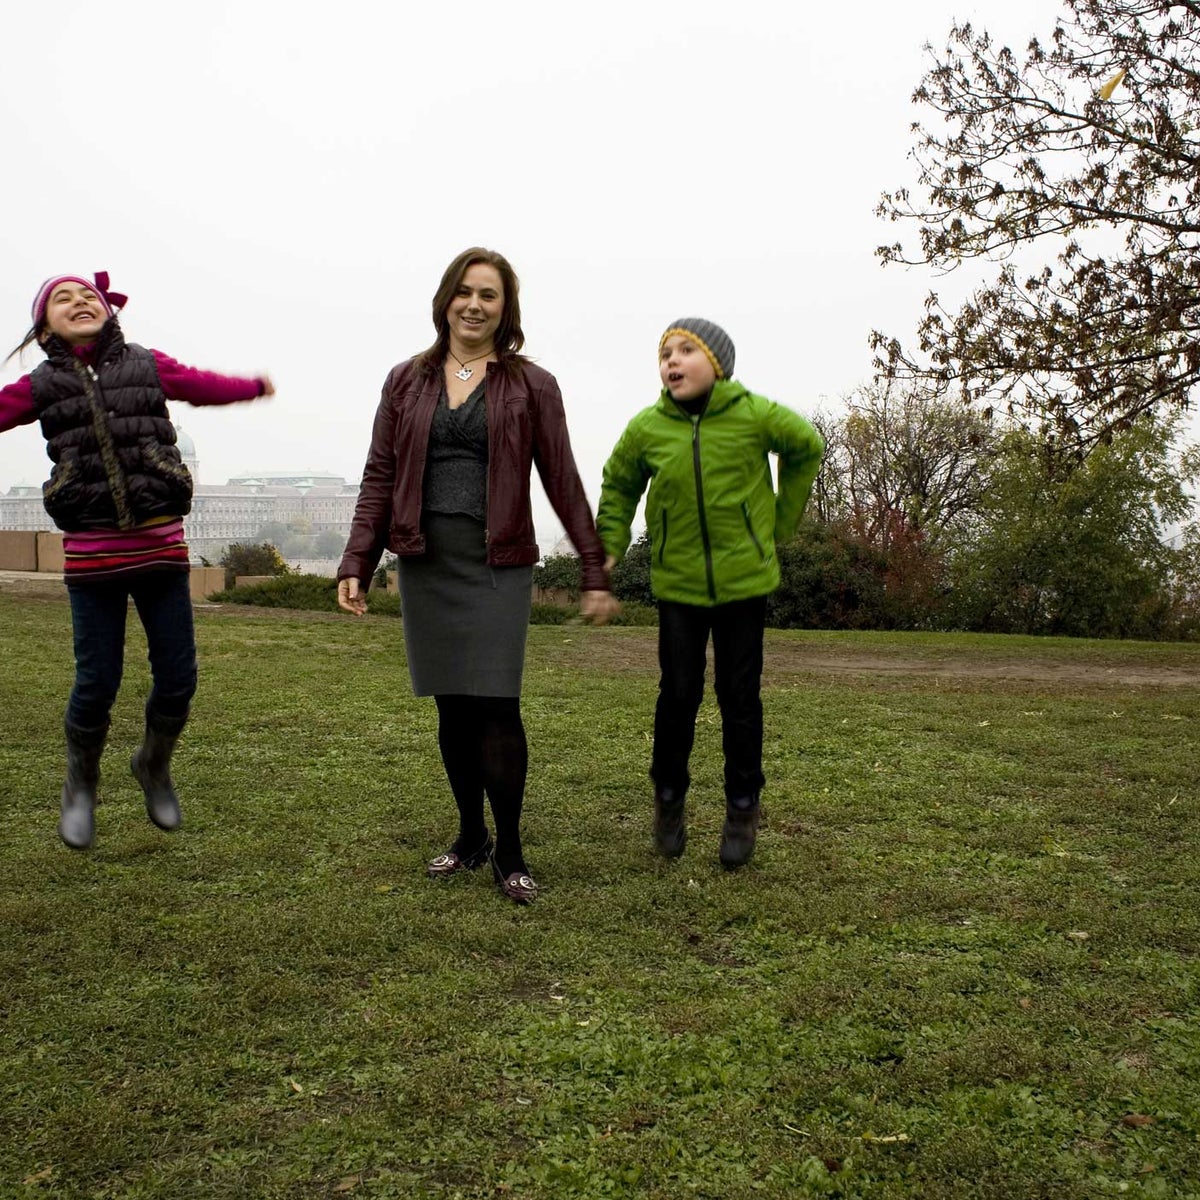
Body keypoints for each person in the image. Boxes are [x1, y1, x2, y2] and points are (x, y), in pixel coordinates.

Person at [337, 247, 617, 904]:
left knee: (496, 706)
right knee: (451, 707)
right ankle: (470, 837)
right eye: (464, 292)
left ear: (504, 309)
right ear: (445, 300)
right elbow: (380, 476)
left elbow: (563, 480)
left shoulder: (532, 386)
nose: (474, 304)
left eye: (488, 295)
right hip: (425, 562)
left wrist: (594, 568)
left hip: (497, 564)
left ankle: (511, 849)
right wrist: (357, 559)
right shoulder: (405, 381)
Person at [0, 272, 275, 850]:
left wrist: (247, 386)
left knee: (178, 678)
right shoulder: (42, 384)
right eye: (61, 299)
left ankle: (152, 763)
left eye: (87, 295)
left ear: (108, 309)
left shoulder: (146, 364)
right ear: (43, 323)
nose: (78, 303)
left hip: (160, 552)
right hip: (92, 560)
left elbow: (197, 384)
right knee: (97, 681)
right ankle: (81, 781)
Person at [597, 317, 824, 868]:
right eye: (664, 354)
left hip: (745, 582)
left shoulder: (752, 414)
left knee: (739, 699)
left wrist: (778, 524)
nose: (671, 362)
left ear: (717, 363)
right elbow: (619, 481)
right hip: (678, 584)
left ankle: (743, 805)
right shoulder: (648, 427)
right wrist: (609, 543)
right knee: (678, 697)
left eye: (685, 351)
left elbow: (806, 446)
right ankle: (668, 798)